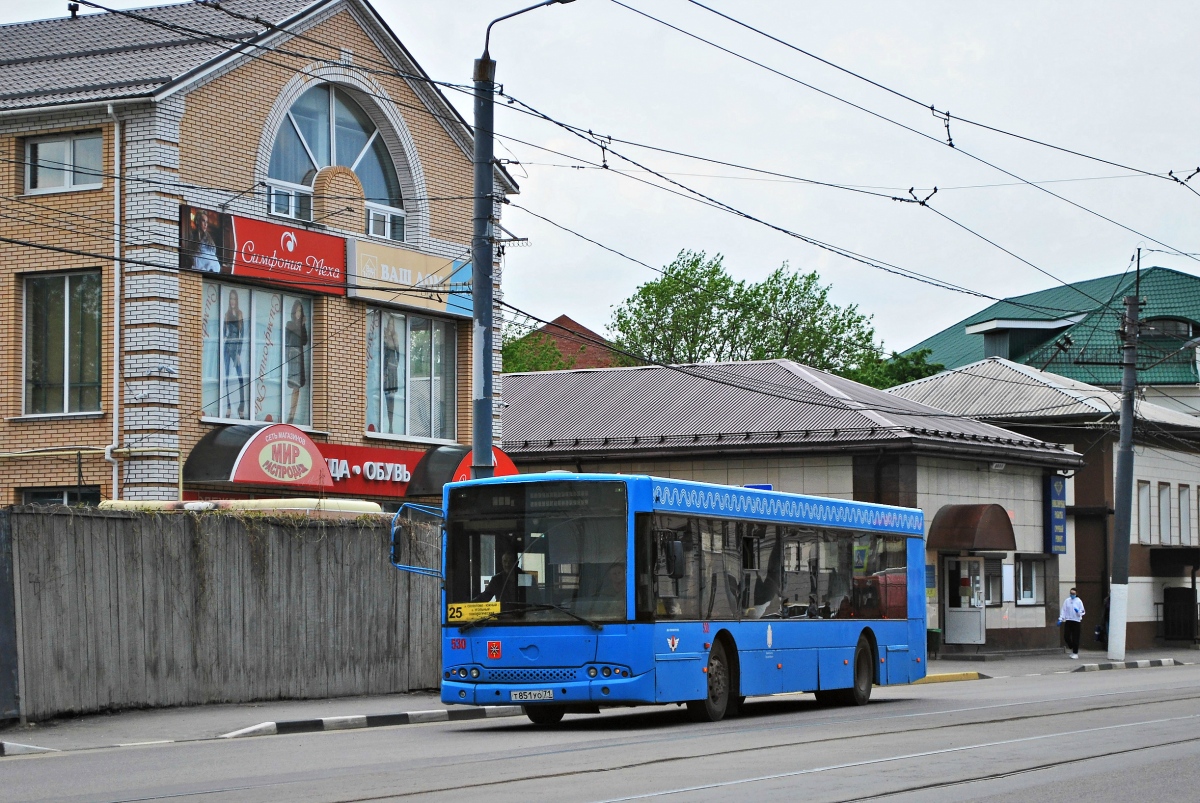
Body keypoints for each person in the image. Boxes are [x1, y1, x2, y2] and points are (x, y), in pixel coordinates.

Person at [222, 290, 246, 419]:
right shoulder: (226, 315)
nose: (232, 301)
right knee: (225, 377)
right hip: (227, 347)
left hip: (235, 348)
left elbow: (242, 335)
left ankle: (241, 407)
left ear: (236, 301)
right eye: (230, 299)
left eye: (234, 299)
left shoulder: (240, 314)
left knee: (240, 378)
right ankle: (228, 406)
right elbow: (223, 333)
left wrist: (238, 353)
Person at [285, 300, 308, 424]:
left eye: (300, 311)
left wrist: (303, 325)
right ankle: (290, 412)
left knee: (297, 385)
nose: (298, 313)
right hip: (291, 355)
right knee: (293, 383)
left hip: (300, 356)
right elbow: (286, 340)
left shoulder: (301, 326)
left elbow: (305, 341)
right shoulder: (289, 324)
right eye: (297, 311)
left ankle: (292, 414)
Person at [383, 316, 401, 433]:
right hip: (385, 368)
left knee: (391, 399)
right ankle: (385, 425)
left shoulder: (395, 337)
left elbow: (398, 354)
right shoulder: (384, 335)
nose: (391, 326)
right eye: (390, 324)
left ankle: (390, 426)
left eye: (392, 324)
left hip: (392, 369)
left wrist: (394, 366)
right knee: (383, 398)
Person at [1059, 587, 1086, 659]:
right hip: (1068, 620)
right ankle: (1071, 646)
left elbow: (1083, 611)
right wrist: (1061, 619)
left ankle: (1075, 652)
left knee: (1075, 637)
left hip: (1076, 621)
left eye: (1073, 593)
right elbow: (1064, 610)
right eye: (1071, 593)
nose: (1072, 595)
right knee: (1066, 636)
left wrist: (1078, 612)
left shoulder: (1079, 601)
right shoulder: (1067, 601)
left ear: (1076, 594)